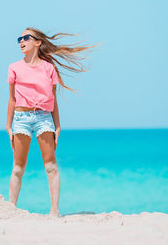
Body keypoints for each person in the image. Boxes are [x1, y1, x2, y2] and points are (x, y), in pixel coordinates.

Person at [6, 27, 99, 217]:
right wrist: (8, 125)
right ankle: (11, 210)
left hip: (43, 118)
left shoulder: (49, 68)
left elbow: (53, 99)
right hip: (21, 119)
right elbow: (12, 99)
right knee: (18, 167)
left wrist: (57, 125)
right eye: (19, 38)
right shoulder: (14, 67)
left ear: (37, 42)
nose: (21, 41)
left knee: (50, 166)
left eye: (26, 38)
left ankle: (54, 211)